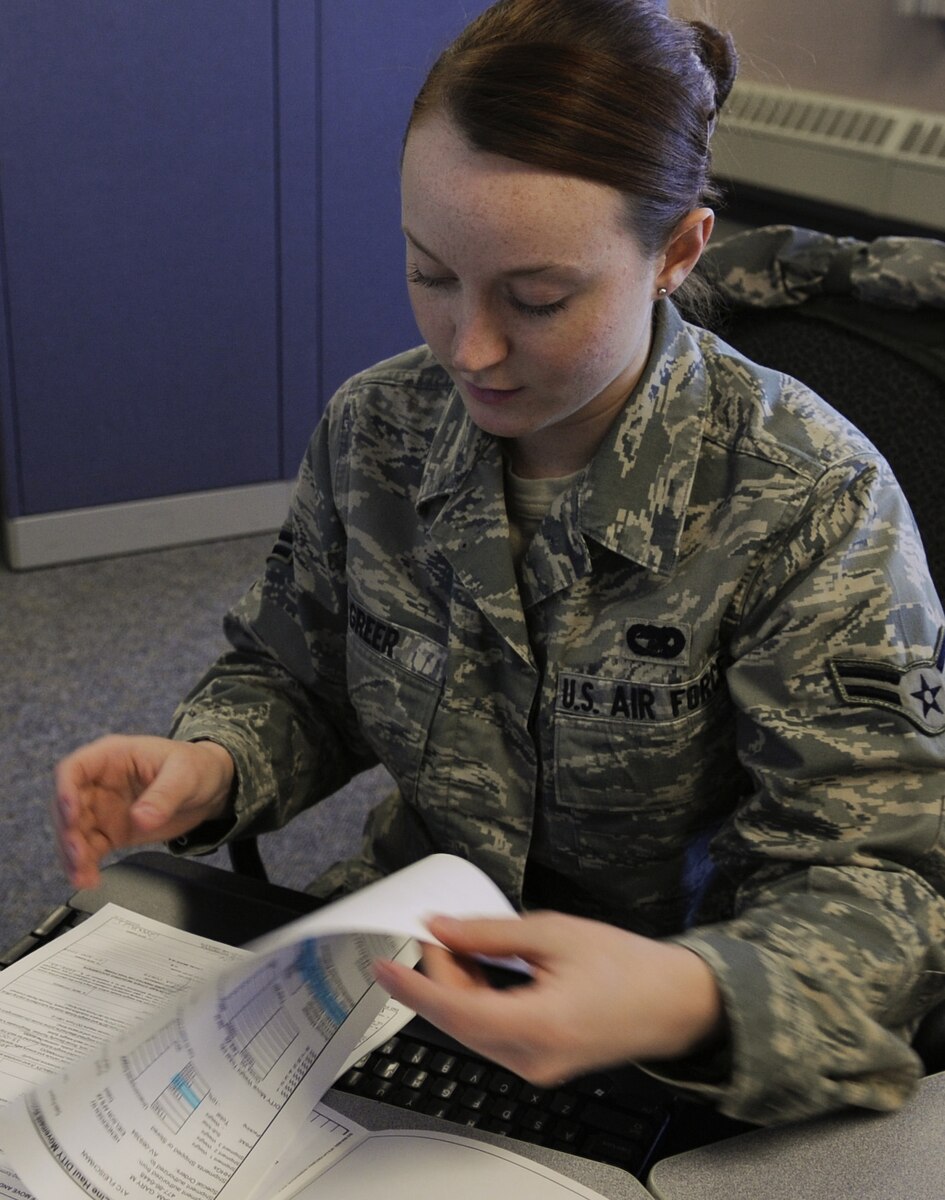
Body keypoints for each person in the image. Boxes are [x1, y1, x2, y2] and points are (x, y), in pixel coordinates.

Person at [53, 0, 945, 1129]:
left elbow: (890, 886)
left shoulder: (809, 495)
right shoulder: (377, 429)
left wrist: (686, 992)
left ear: (677, 251)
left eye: (536, 299)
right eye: (432, 274)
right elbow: (297, 674)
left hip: (671, 1045)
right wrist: (217, 764)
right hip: (402, 970)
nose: (468, 348)